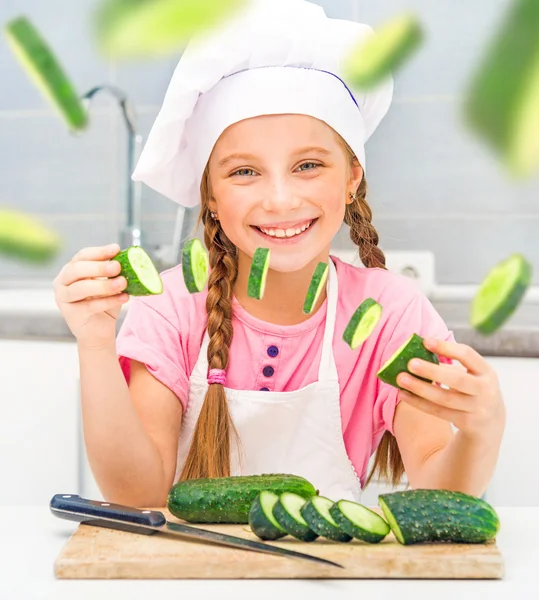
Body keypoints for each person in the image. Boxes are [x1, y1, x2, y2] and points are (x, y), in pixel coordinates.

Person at [53, 0, 505, 507]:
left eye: (308, 165)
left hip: (328, 582)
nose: (281, 200)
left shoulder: (388, 315)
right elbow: (136, 494)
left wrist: (480, 432)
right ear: (212, 198)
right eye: (244, 172)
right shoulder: (169, 309)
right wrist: (94, 341)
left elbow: (438, 488)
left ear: (352, 178)